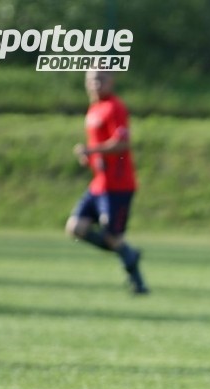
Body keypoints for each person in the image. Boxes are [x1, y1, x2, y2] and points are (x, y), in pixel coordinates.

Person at [65, 69, 147, 295]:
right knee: (76, 227)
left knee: (112, 237)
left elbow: (122, 143)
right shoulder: (94, 108)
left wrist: (92, 150)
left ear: (111, 81)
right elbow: (101, 146)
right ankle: (129, 253)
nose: (95, 84)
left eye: (100, 79)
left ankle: (139, 282)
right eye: (91, 80)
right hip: (99, 184)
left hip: (118, 185)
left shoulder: (115, 107)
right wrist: (90, 158)